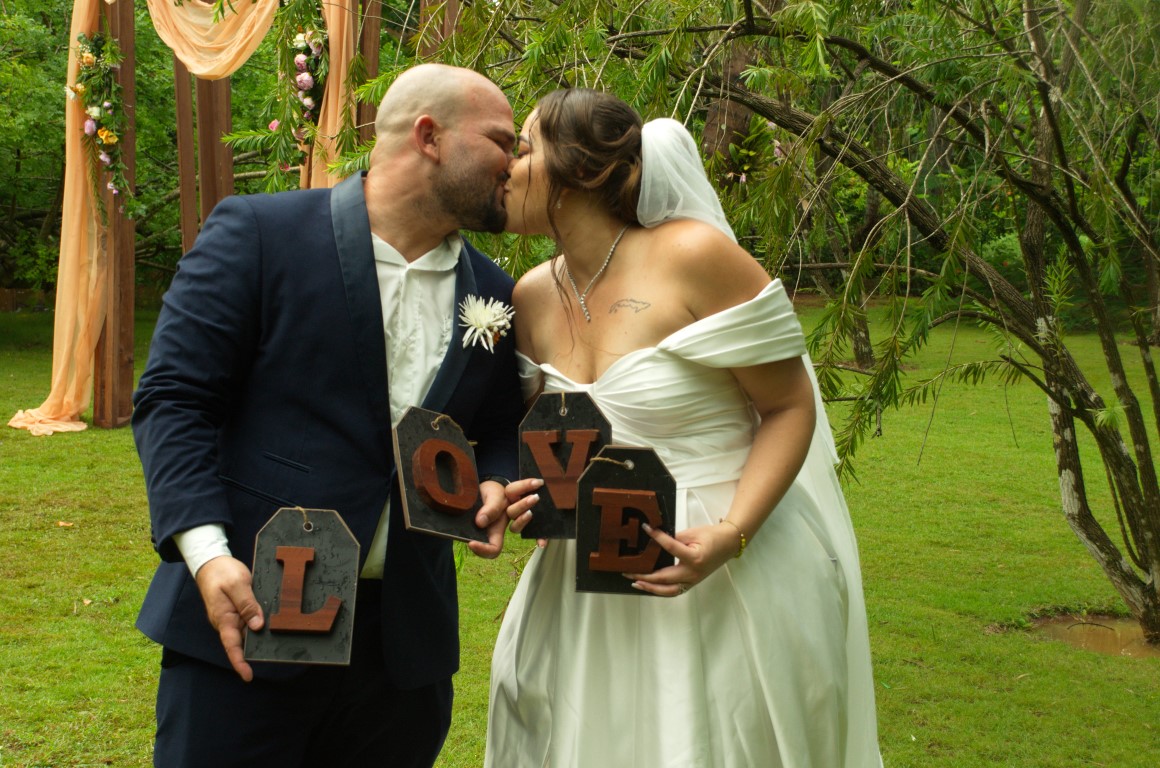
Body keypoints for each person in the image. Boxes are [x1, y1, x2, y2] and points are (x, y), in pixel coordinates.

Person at [132, 63, 524, 767]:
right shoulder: (260, 234)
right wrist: (208, 558)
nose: (517, 162)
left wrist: (493, 478)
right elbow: (174, 399)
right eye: (503, 140)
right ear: (429, 136)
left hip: (402, 655)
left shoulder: (492, 292)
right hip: (250, 617)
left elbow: (497, 423)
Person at [486, 89, 883, 767]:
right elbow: (551, 438)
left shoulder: (694, 257)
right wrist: (522, 494)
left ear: (581, 170)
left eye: (525, 149)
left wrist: (730, 536)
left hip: (724, 573)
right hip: (585, 589)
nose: (509, 168)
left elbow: (789, 406)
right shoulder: (526, 295)